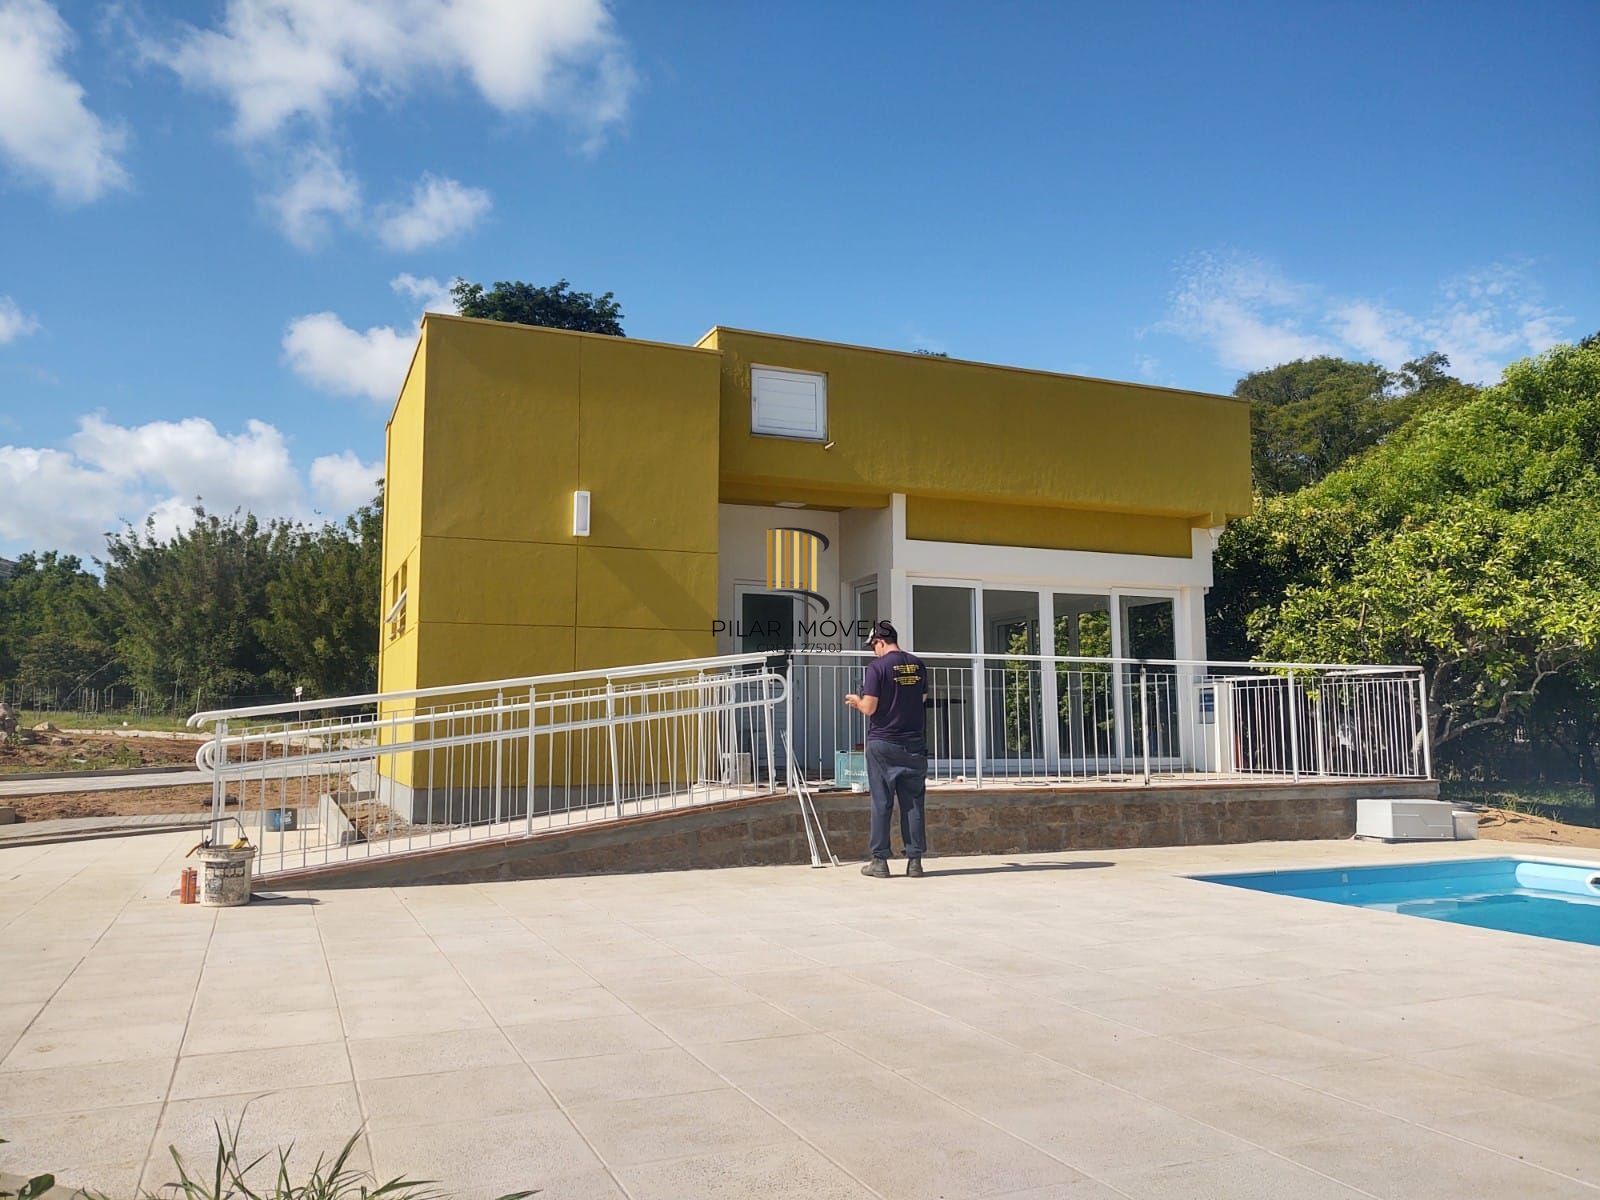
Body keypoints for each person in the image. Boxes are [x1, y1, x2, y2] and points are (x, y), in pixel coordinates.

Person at [844, 619, 928, 878]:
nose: (873, 651)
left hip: (883, 742)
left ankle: (880, 861)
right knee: (913, 803)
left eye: (873, 646)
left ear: (880, 642)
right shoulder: (918, 664)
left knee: (881, 802)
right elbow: (922, 698)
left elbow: (869, 708)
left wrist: (856, 701)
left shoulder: (877, 667)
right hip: (914, 743)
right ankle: (915, 861)